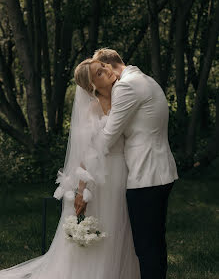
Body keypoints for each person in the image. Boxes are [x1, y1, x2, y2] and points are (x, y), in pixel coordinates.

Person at [0, 58, 140, 278]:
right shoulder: (91, 111)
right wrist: (82, 190)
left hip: (125, 171)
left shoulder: (124, 98)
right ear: (92, 86)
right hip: (99, 178)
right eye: (99, 73)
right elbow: (86, 153)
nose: (106, 69)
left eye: (103, 66)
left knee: (123, 226)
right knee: (103, 226)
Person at [88, 48, 178, 279]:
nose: (99, 80)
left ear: (108, 66)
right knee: (155, 243)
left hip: (146, 174)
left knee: (146, 247)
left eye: (98, 72)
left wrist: (87, 146)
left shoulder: (126, 86)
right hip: (159, 172)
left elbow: (109, 136)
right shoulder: (145, 79)